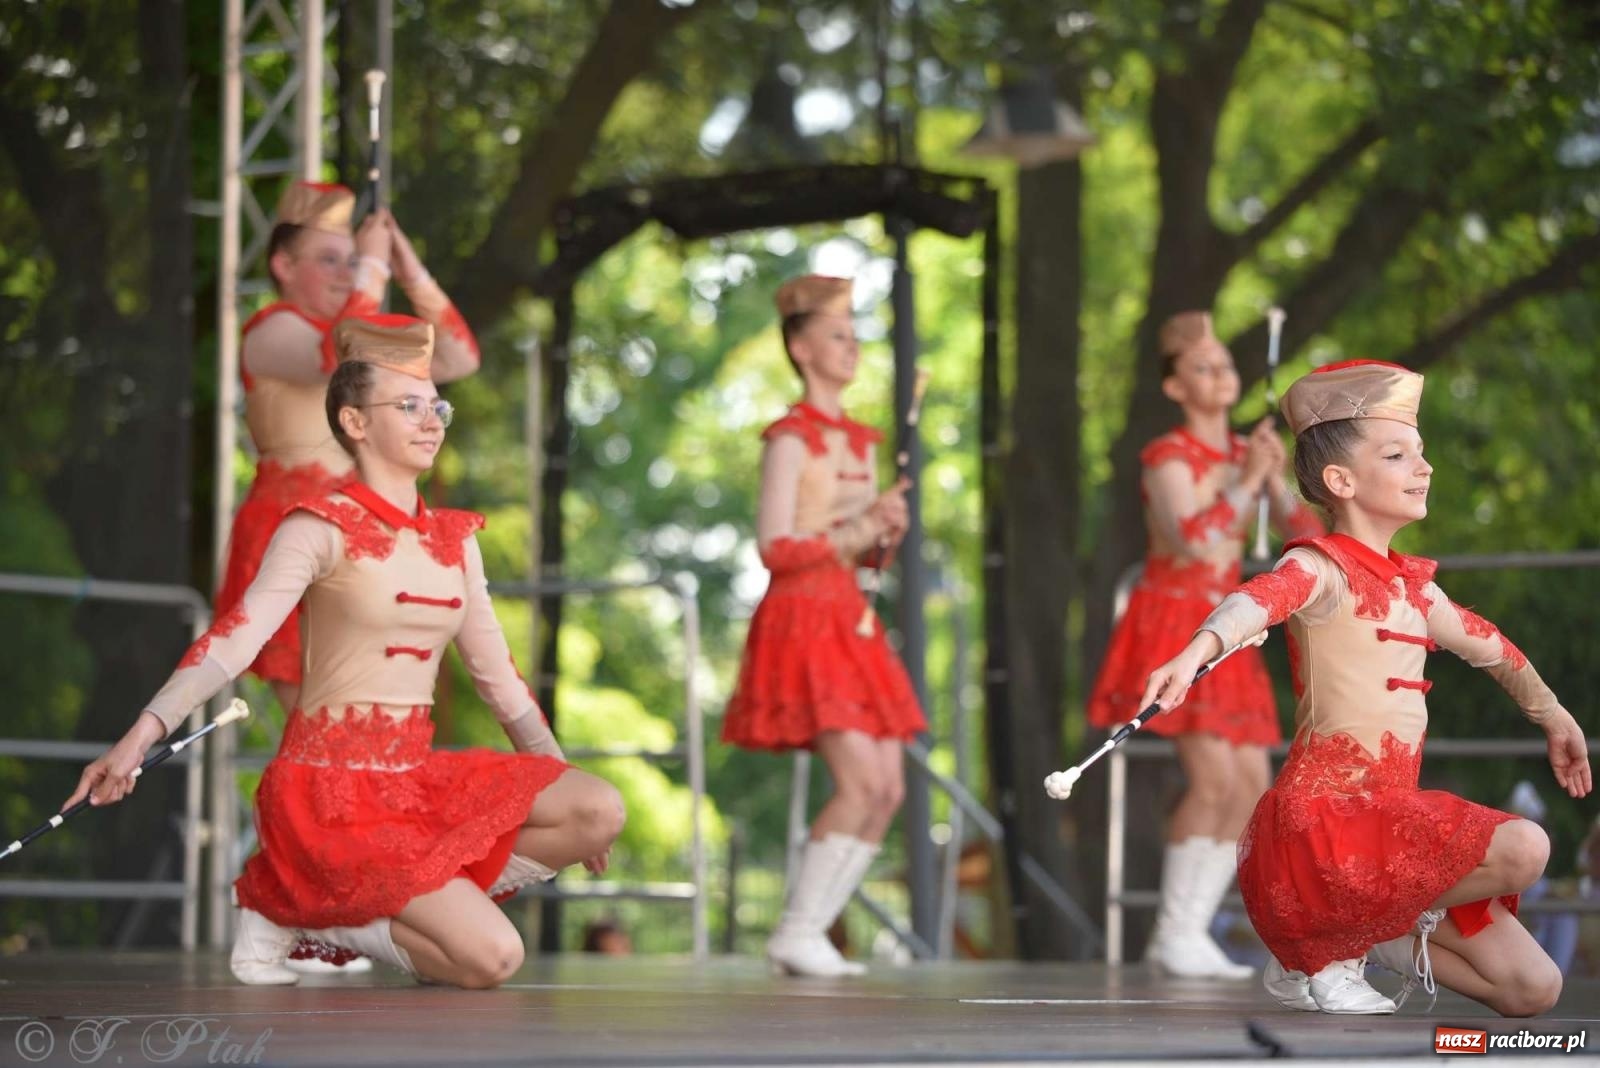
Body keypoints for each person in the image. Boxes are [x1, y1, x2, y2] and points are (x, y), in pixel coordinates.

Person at [68, 314, 623, 990]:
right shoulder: (316, 527)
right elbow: (231, 643)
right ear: (356, 423)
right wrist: (136, 741)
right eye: (409, 405)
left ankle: (381, 905)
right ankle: (298, 912)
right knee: (493, 961)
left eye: (437, 405)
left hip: (412, 785)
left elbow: (501, 682)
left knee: (598, 810)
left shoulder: (457, 540)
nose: (433, 420)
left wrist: (556, 784)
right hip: (329, 798)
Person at [1140, 360, 1591, 1015]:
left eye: (1422, 453)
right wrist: (1196, 652)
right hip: (1324, 831)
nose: (1425, 467)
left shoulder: (1415, 587)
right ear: (1340, 479)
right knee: (1526, 846)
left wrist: (1556, 719)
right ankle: (1330, 942)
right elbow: (1257, 600)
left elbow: (1491, 647)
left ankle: (1365, 937)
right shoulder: (1317, 566)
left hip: (1389, 844)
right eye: (1398, 454)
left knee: (1532, 989)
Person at [1085, 311, 1321, 979]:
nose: (1220, 375)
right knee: (1213, 778)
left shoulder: (1247, 453)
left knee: (1250, 785)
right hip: (1174, 619)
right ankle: (1174, 931)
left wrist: (1275, 477)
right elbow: (1191, 536)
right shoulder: (1168, 455)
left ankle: (1185, 930)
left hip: (1229, 625)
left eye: (1224, 365)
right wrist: (1245, 482)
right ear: (1175, 388)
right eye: (1203, 368)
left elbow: (1303, 532)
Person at [720, 275, 926, 978]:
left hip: (850, 613)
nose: (852, 344)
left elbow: (863, 549)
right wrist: (859, 528)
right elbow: (774, 547)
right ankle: (800, 928)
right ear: (802, 347)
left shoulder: (860, 442)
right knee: (860, 781)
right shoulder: (789, 438)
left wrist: (882, 532)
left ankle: (807, 932)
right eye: (837, 334)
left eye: (854, 333)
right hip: (804, 614)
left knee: (890, 787)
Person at [218, 180, 481, 717]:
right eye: (330, 260)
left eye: (352, 261)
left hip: (362, 532)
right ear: (284, 267)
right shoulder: (270, 331)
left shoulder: (359, 336)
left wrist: (410, 271)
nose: (346, 273)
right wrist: (374, 270)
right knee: (315, 725)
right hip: (292, 531)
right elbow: (331, 355)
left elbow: (458, 360)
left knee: (362, 722)